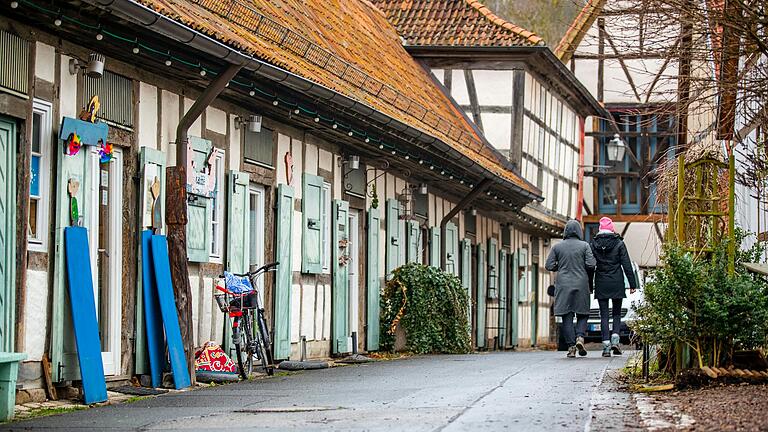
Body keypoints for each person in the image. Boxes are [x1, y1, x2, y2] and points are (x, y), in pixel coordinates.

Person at [546, 220, 596, 358]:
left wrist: (561, 266)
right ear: (579, 231)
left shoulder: (557, 247)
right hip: (581, 283)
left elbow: (549, 265)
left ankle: (571, 347)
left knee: (566, 315)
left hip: (563, 284)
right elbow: (591, 264)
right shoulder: (585, 246)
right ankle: (580, 337)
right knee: (583, 313)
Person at [589, 217, 637, 357]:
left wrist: (590, 284)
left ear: (600, 228)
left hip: (601, 282)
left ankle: (605, 346)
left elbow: (591, 266)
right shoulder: (619, 243)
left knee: (604, 315)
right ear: (611, 228)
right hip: (616, 281)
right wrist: (632, 284)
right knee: (616, 313)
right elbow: (626, 264)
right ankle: (615, 341)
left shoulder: (594, 244)